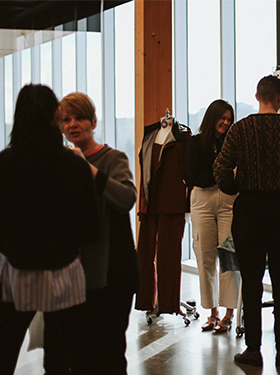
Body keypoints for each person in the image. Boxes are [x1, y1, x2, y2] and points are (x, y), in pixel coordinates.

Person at [214, 75, 280, 367]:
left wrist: (237, 189)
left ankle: (253, 348)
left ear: (258, 96)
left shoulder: (240, 129)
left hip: (248, 210)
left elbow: (220, 170)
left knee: (251, 281)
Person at [0, 84, 99, 374]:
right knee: (59, 360)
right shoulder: (75, 167)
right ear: (56, 115)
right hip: (64, 275)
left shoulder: (4, 164)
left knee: (4, 352)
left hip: (15, 274)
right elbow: (90, 229)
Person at [59, 92, 139, 374]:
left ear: (93, 121)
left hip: (112, 272)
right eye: (66, 119)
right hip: (74, 274)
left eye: (79, 117)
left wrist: (88, 169)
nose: (72, 124)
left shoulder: (113, 158)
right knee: (78, 353)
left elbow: (127, 198)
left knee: (110, 351)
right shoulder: (62, 165)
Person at [187, 99, 239, 333]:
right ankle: (212, 312)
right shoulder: (194, 144)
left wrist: (217, 175)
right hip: (202, 200)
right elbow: (193, 177)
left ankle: (229, 313)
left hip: (229, 199)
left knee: (229, 256)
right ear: (212, 118)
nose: (226, 123)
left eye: (229, 119)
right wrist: (223, 174)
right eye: (223, 118)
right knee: (205, 257)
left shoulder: (234, 145)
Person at [135, 111, 191, 315]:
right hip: (149, 202)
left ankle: (168, 305)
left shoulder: (183, 137)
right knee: (144, 254)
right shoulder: (149, 134)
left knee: (169, 255)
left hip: (172, 204)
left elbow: (188, 171)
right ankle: (146, 301)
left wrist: (189, 203)